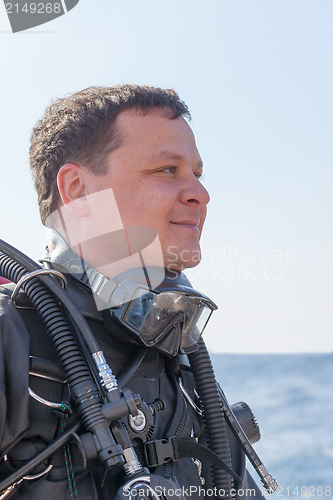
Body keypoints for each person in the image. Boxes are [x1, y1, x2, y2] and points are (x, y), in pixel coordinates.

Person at [0, 85, 273, 499]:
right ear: (77, 190)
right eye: (167, 170)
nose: (201, 194)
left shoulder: (180, 354)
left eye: (197, 174)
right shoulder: (12, 337)